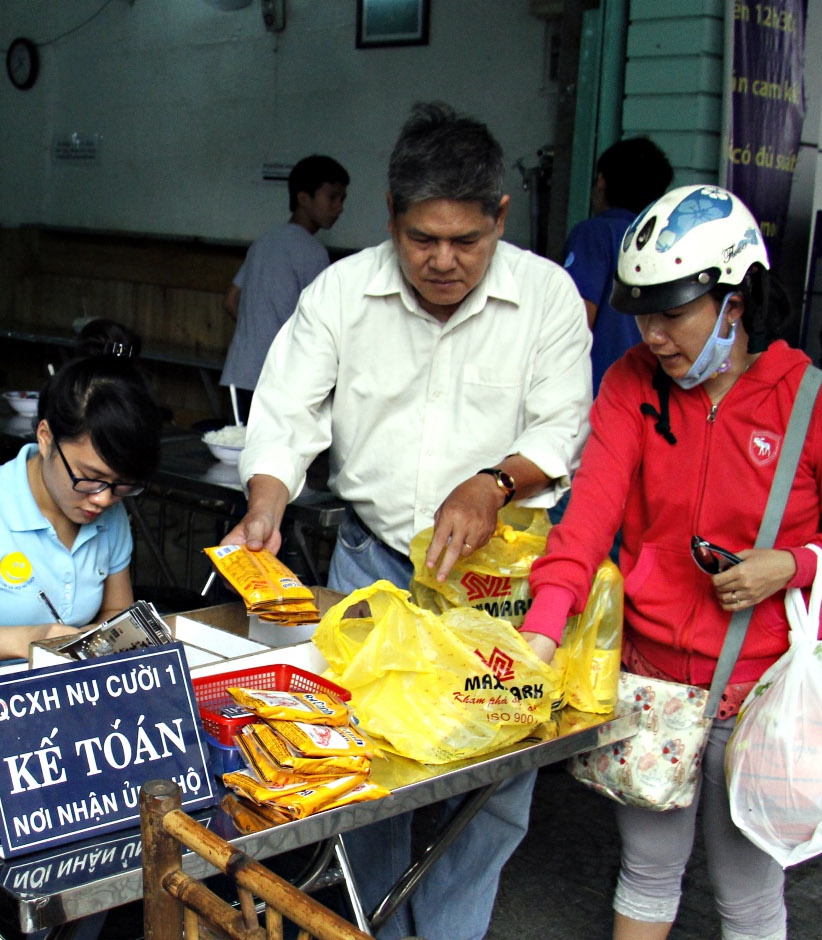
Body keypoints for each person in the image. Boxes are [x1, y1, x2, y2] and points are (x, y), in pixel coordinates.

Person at [224, 101, 592, 940]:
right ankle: (376, 929)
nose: (443, 260)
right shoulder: (341, 293)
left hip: (497, 588)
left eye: (467, 240)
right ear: (390, 216)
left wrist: (495, 481)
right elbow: (285, 409)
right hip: (377, 568)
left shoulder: (546, 298)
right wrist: (268, 498)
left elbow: (562, 426)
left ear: (501, 216)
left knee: (494, 784)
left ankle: (450, 930)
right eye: (423, 238)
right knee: (368, 777)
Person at [525, 185, 822, 940]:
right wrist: (541, 634)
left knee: (748, 893)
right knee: (648, 871)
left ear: (735, 300)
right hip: (649, 681)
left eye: (672, 313)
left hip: (761, 691)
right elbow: (586, 520)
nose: (653, 335)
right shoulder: (630, 383)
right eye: (642, 313)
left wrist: (788, 565)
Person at [0, 353, 162, 667]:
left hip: (56, 694)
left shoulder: (109, 515)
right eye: (90, 478)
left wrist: (87, 643)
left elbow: (116, 613)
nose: (103, 499)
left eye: (123, 485)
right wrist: (29, 640)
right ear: (46, 438)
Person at [220, 153, 349, 421]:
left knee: (239, 453)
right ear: (304, 198)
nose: (339, 207)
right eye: (332, 197)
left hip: (238, 372)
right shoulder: (312, 251)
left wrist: (258, 332)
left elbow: (231, 301)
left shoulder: (264, 241)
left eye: (342, 199)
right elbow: (322, 320)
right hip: (275, 379)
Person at [563, 137, 673, 390]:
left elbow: (574, 322)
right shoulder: (664, 244)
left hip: (597, 393)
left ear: (601, 180)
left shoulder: (595, 234)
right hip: (649, 396)